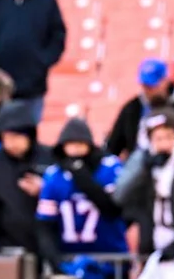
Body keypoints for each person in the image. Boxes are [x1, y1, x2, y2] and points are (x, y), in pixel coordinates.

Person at [113, 110, 174, 265]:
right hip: (150, 246)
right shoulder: (141, 162)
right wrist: (144, 167)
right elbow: (120, 195)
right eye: (158, 138)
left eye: (168, 137)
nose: (164, 144)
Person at [36, 116, 128, 271]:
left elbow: (114, 208)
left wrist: (82, 176)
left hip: (110, 262)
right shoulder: (54, 176)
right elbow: (45, 225)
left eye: (80, 144)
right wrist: (56, 261)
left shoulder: (109, 169)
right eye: (70, 144)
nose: (76, 149)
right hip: (70, 262)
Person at [0, 105, 45, 253]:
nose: (11, 143)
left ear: (29, 135)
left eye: (16, 137)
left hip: (45, 242)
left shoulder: (48, 157)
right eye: (6, 138)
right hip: (6, 244)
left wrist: (44, 189)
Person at [106, 57, 174, 155]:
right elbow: (113, 146)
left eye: (151, 85)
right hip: (140, 166)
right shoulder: (132, 109)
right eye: (145, 85)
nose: (147, 90)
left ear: (165, 81)